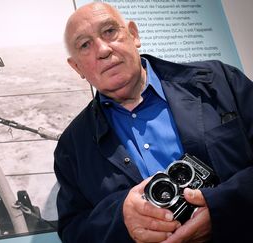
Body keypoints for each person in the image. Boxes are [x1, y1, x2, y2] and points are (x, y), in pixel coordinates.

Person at [54, 2, 253, 243]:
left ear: (133, 34)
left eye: (109, 31)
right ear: (77, 67)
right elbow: (73, 231)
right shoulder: (71, 148)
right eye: (85, 45)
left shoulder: (220, 82)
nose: (103, 49)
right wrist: (122, 218)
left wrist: (222, 208)